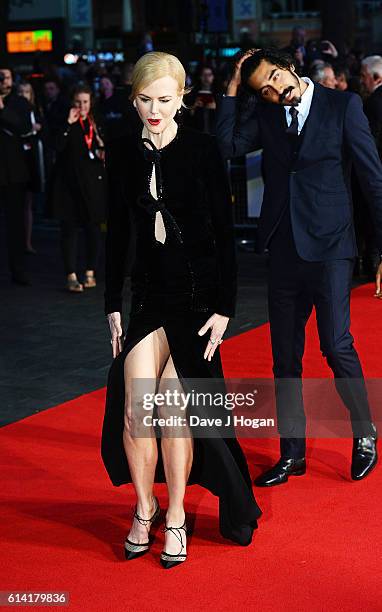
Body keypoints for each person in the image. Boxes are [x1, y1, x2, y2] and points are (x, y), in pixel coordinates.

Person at [101, 51, 261, 568]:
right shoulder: (123, 152)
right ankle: (143, 508)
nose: (154, 109)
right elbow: (118, 234)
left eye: (165, 100)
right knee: (134, 409)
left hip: (197, 301)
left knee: (172, 410)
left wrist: (225, 309)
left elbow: (224, 235)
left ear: (183, 99)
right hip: (147, 299)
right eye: (144, 99)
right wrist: (112, 304)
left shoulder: (203, 150)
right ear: (132, 98)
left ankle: (174, 515)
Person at [216, 47, 380, 487]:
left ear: (289, 66)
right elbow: (226, 145)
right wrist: (233, 87)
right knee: (284, 358)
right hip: (284, 248)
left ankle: (365, 433)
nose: (273, 90)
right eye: (262, 89)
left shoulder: (343, 105)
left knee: (335, 345)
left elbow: (371, 176)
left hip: (330, 247)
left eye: (273, 77)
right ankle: (293, 454)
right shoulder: (268, 116)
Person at [52, 84, 106, 292]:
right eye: (78, 102)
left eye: (85, 102)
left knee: (93, 228)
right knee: (69, 229)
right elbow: (56, 146)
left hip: (92, 184)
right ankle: (71, 275)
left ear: (91, 103)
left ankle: (90, 271)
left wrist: (102, 150)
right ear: (72, 102)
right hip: (68, 185)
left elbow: (101, 146)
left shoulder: (95, 121)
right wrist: (67, 124)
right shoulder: (65, 120)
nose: (81, 106)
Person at [0, 67, 31, 285]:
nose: (4, 81)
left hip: (13, 174)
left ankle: (18, 270)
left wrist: (2, 108)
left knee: (15, 224)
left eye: (7, 77)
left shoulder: (18, 102)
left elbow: (25, 127)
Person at [18, 80, 45, 254]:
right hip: (16, 160)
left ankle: (26, 242)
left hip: (31, 159)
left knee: (27, 203)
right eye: (20, 92)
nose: (23, 96)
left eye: (26, 92)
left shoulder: (36, 111)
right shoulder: (11, 111)